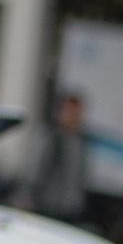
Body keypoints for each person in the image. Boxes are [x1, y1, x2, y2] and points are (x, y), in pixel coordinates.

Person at [24, 92, 93, 225]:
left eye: (76, 113)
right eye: (69, 112)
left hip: (69, 209)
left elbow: (80, 176)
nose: (73, 116)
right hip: (44, 205)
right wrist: (27, 196)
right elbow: (34, 170)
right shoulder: (50, 137)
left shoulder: (80, 142)